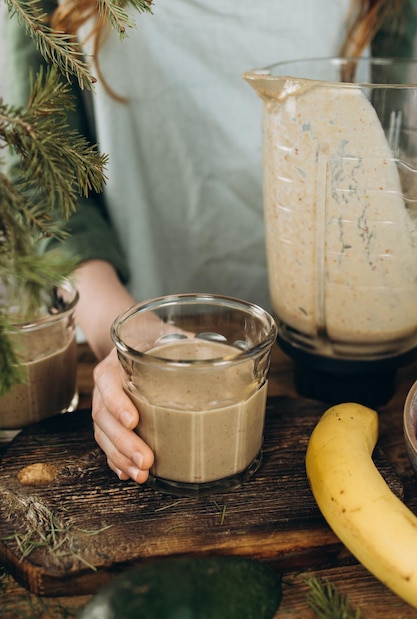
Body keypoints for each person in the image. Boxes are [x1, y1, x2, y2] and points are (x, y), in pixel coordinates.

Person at [4, 0, 416, 483]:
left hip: (369, 360)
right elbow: (43, 181)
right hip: (140, 339)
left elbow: (399, 160)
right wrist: (133, 338)